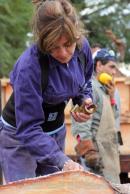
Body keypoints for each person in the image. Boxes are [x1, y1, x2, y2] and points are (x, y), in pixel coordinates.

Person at [0, 0, 94, 183]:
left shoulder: (83, 49)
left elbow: (84, 82)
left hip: (55, 131)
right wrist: (62, 160)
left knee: (56, 187)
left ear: (76, 35)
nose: (64, 53)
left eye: (68, 44)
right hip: (19, 136)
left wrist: (83, 100)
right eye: (54, 47)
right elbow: (28, 129)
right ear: (43, 41)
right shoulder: (28, 67)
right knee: (25, 189)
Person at [72, 48, 121, 183]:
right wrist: (89, 152)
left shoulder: (106, 90)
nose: (113, 72)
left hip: (108, 155)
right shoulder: (91, 89)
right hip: (96, 158)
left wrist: (111, 98)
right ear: (98, 65)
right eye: (111, 67)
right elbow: (80, 122)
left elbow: (114, 117)